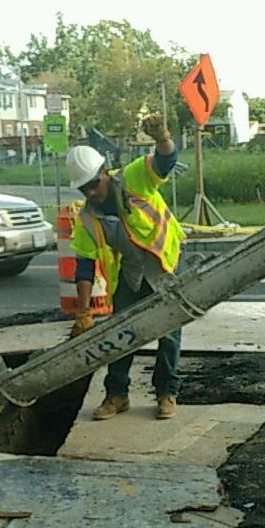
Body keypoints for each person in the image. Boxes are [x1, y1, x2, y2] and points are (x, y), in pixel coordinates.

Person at [67, 114, 185, 421]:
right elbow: (84, 266)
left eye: (93, 184)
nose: (91, 193)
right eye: (84, 190)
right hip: (131, 274)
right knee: (120, 333)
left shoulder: (133, 178)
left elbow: (165, 160)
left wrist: (162, 137)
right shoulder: (87, 219)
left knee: (168, 331)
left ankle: (166, 393)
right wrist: (84, 312)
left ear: (105, 172)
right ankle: (117, 395)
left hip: (164, 264)